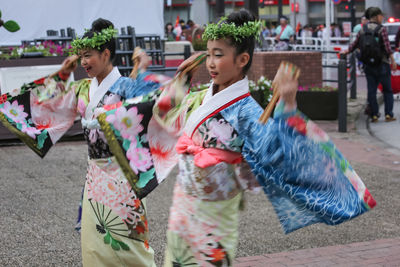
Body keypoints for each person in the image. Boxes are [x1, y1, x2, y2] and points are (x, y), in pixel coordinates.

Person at [92, 9, 375, 266]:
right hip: (184, 208)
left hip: (215, 215)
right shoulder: (203, 96)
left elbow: (273, 152)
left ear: (242, 60)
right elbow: (164, 114)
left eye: (219, 55)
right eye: (209, 53)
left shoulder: (247, 111)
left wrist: (287, 104)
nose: (211, 63)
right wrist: (183, 78)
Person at [0, 18, 168, 266]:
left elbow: (153, 102)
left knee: (131, 248)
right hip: (95, 178)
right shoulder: (83, 89)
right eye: (81, 57)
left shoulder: (126, 87)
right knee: (93, 247)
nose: (83, 62)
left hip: (123, 176)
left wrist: (139, 74)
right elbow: (49, 102)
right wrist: (61, 76)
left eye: (88, 56)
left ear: (106, 53)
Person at [342, 7, 397, 122]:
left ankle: (374, 115)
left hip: (368, 65)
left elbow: (354, 45)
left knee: (371, 90)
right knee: (387, 90)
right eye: (381, 15)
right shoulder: (382, 30)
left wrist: (347, 51)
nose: (382, 18)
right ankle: (389, 114)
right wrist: (393, 60)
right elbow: (387, 48)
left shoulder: (363, 30)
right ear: (376, 16)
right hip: (382, 63)